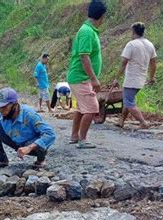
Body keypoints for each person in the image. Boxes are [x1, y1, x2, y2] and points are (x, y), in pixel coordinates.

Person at [0, 88, 56, 170]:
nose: (1, 110)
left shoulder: (29, 115)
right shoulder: (1, 115)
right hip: (15, 142)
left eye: (4, 107)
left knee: (41, 143)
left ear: (15, 104)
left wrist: (29, 148)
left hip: (31, 146)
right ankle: (2, 160)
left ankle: (40, 161)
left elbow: (50, 134)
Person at [67, 0, 106, 149]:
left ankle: (75, 136)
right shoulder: (87, 31)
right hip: (81, 77)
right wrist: (94, 79)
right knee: (91, 108)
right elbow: (84, 57)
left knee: (81, 108)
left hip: (81, 77)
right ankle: (83, 139)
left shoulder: (88, 30)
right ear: (102, 16)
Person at [112, 22, 157, 129]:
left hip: (132, 78)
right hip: (141, 78)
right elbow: (153, 63)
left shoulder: (131, 44)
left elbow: (123, 63)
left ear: (133, 32)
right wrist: (151, 77)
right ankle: (121, 121)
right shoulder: (150, 45)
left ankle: (143, 122)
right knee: (128, 99)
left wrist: (116, 78)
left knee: (128, 102)